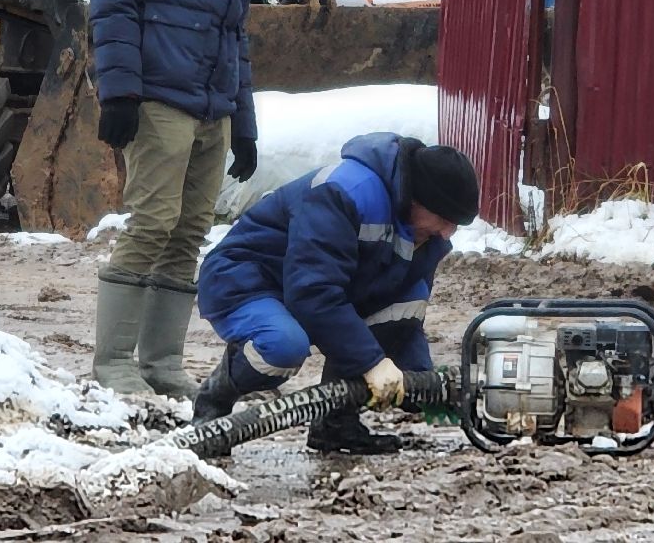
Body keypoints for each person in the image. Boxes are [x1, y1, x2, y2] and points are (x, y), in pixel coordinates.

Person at [87, 0, 289, 399]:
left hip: (212, 107)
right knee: (151, 223)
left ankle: (161, 363)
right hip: (158, 99)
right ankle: (114, 365)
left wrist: (243, 123)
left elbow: (235, 38)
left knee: (190, 229)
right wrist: (119, 91)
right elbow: (114, 0)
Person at [190, 132, 480, 454]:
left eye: (456, 225)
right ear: (417, 199)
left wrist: (419, 382)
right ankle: (215, 399)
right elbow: (314, 294)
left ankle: (334, 424)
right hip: (248, 277)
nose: (447, 234)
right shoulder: (345, 191)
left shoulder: (424, 235)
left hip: (310, 283)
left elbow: (402, 313)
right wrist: (372, 363)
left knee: (406, 302)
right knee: (284, 346)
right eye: (444, 220)